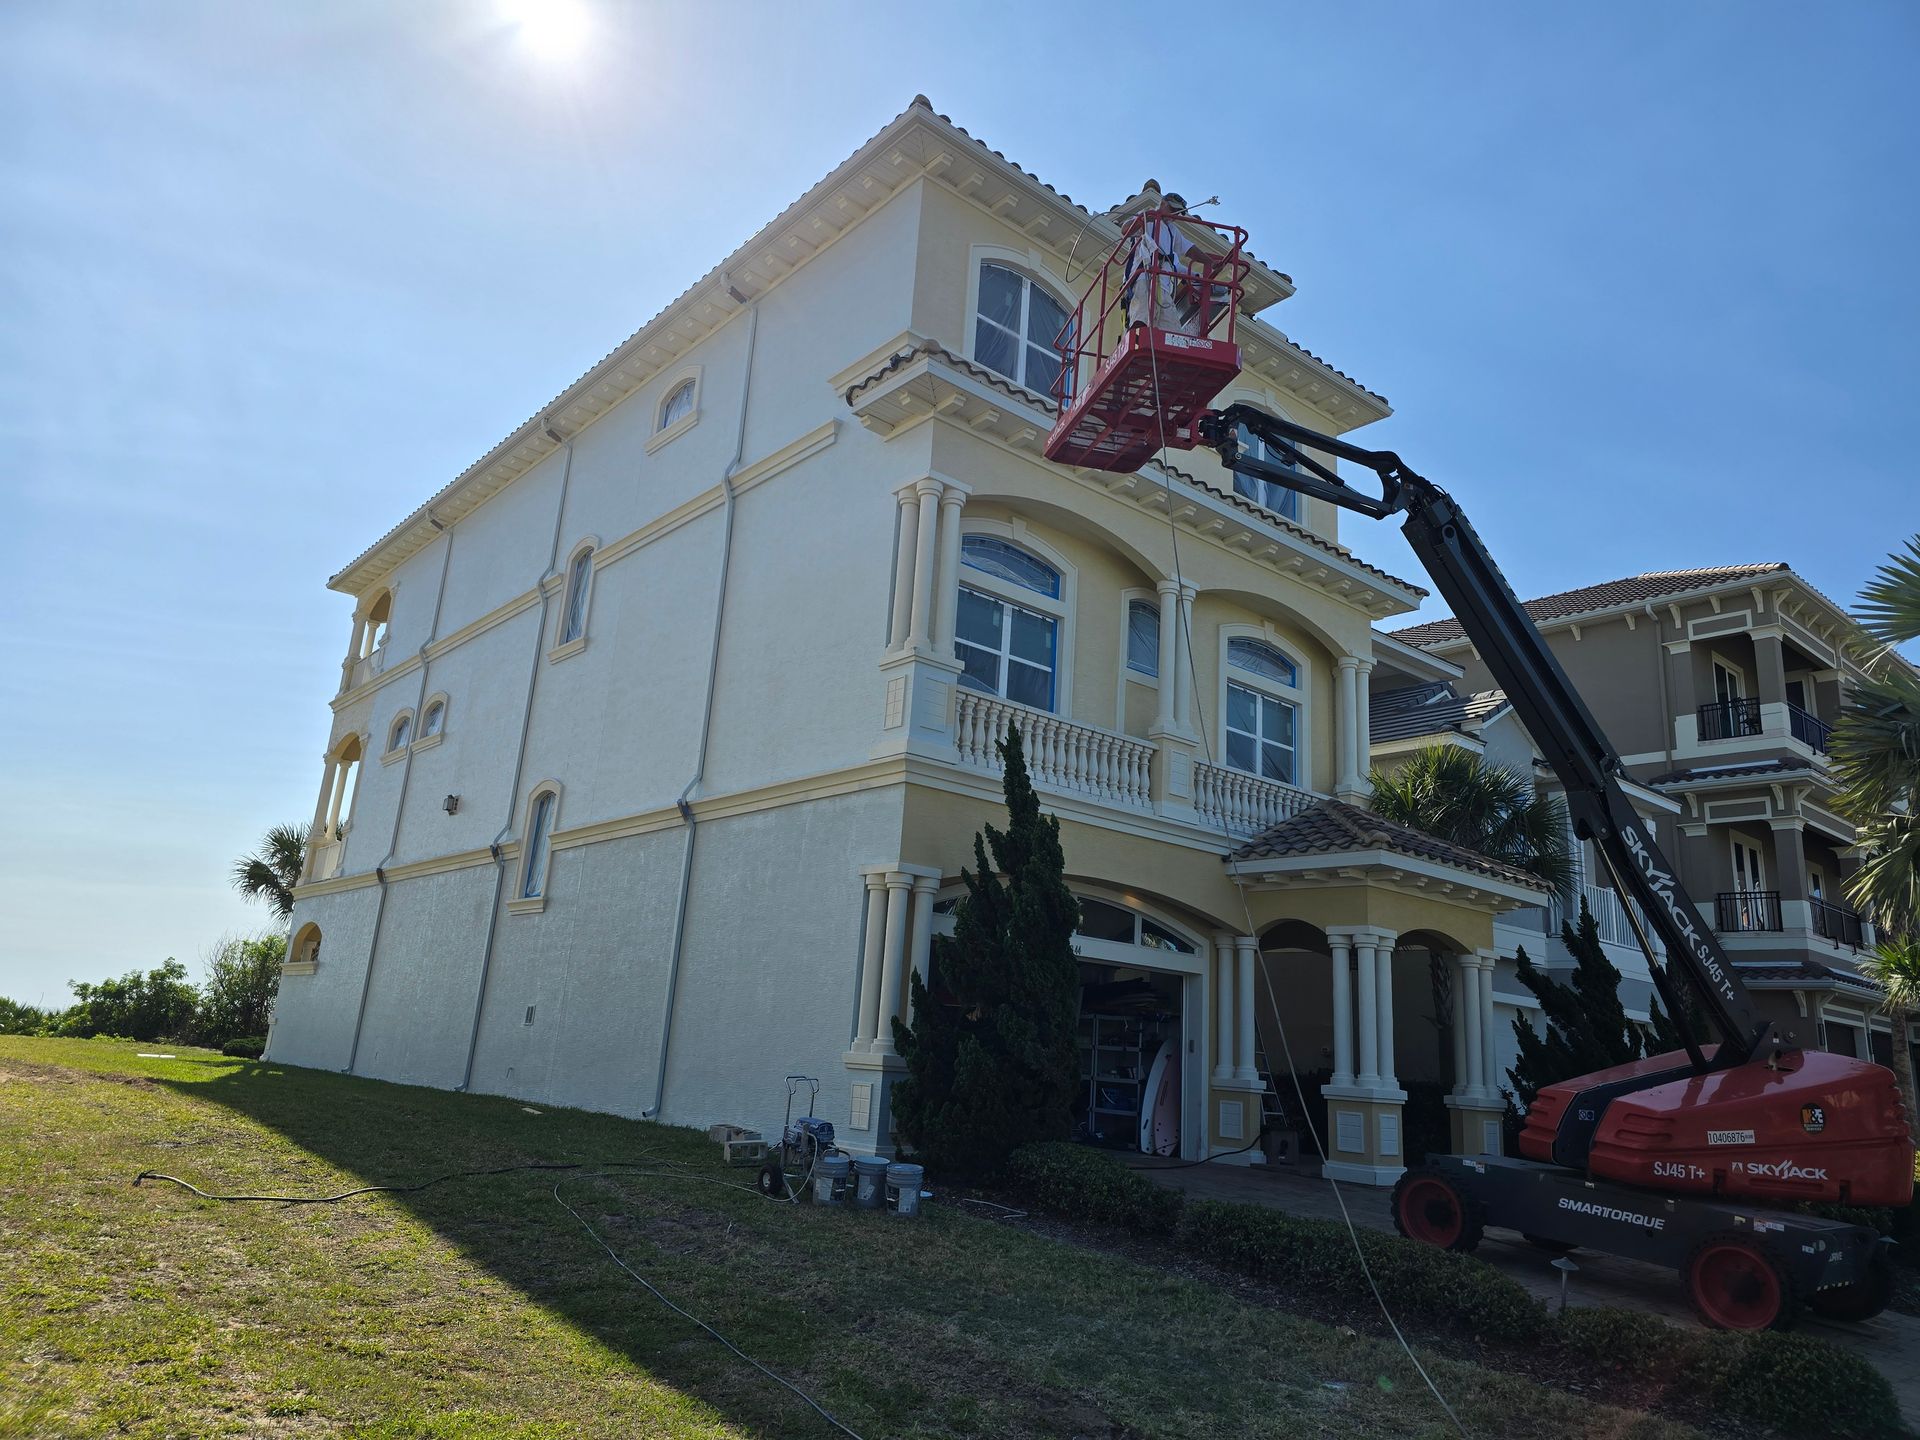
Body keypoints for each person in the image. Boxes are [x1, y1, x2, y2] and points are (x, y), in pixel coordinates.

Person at [1123, 193, 1211, 335]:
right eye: (1172, 209)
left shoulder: (1172, 231)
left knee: (1172, 330)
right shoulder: (1146, 217)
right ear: (1163, 203)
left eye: (1177, 212)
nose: (1174, 214)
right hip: (1143, 278)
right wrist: (1144, 220)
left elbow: (1189, 250)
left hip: (1163, 287)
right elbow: (1125, 230)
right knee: (1141, 317)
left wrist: (1210, 262)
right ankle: (1137, 341)